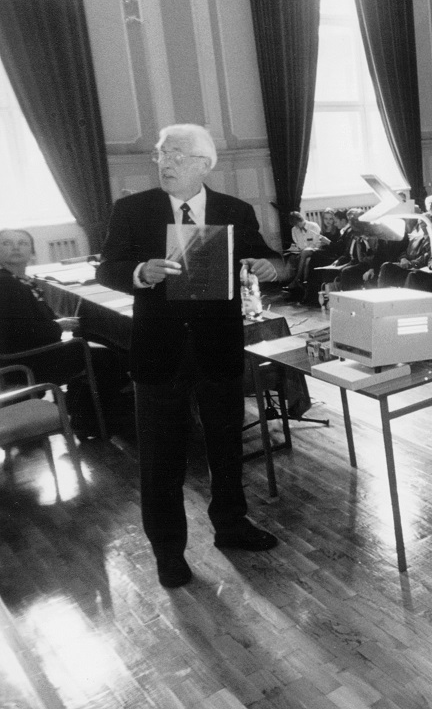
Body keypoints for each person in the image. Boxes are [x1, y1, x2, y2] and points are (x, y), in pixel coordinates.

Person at [96, 124, 283, 588]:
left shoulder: (234, 210)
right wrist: (139, 272)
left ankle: (231, 525)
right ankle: (168, 553)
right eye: (161, 154)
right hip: (159, 354)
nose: (165, 162)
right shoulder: (133, 210)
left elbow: (269, 260)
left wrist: (269, 267)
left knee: (227, 449)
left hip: (218, 350)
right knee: (161, 461)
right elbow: (107, 269)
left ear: (204, 163)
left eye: (177, 155)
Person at [0, 228, 131, 437]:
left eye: (22, 243)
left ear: (32, 253)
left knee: (92, 337)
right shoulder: (6, 285)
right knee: (109, 357)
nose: (15, 248)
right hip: (25, 363)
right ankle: (89, 420)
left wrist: (57, 324)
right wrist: (59, 326)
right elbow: (22, 333)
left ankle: (80, 409)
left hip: (28, 354)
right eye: (6, 243)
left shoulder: (18, 280)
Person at [377, 218, 431, 289]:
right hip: (407, 267)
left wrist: (410, 264)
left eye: (424, 222)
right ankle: (382, 292)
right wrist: (403, 258)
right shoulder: (415, 239)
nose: (422, 224)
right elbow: (405, 252)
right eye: (421, 222)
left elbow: (426, 258)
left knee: (412, 275)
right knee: (386, 266)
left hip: (419, 270)